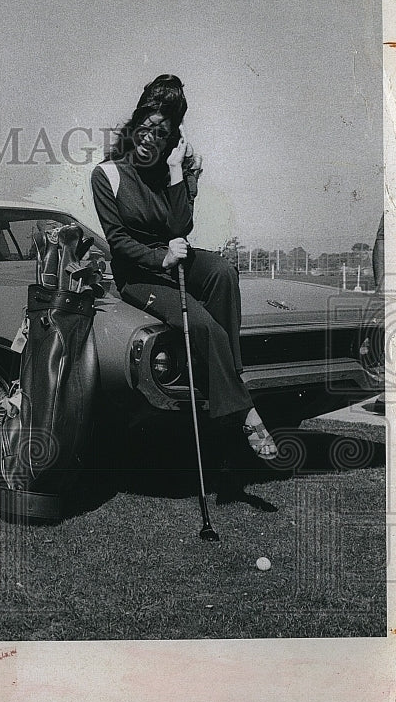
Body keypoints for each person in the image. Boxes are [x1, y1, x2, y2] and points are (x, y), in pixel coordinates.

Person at [91, 74, 278, 462]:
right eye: (145, 130)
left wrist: (181, 174)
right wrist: (160, 258)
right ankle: (244, 411)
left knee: (223, 271)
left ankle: (229, 378)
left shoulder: (170, 170)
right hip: (139, 274)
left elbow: (180, 227)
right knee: (205, 326)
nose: (150, 140)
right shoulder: (106, 174)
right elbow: (118, 242)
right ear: (133, 128)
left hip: (174, 252)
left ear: (171, 138)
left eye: (161, 135)